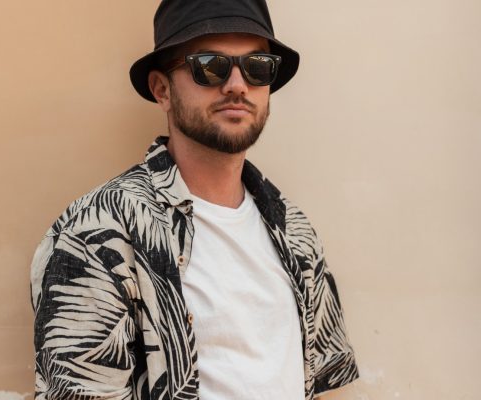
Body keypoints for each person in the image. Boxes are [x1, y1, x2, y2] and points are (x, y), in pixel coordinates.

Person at [30, 0, 359, 399]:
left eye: (257, 67)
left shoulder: (295, 231)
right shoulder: (99, 232)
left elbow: (325, 382)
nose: (237, 85)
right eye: (210, 66)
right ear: (162, 89)